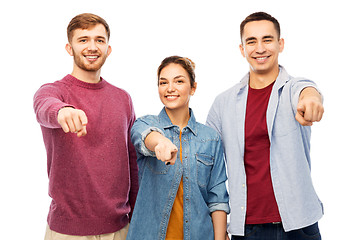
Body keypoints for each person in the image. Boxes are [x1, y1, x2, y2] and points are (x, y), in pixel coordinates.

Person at [206, 12, 324, 240]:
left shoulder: (293, 89)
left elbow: (307, 90)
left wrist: (312, 99)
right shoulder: (223, 103)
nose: (260, 48)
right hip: (248, 228)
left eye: (267, 40)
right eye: (251, 41)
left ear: (280, 44)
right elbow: (210, 169)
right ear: (242, 49)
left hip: (300, 225)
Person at [33, 13, 138, 240]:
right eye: (83, 40)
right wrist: (62, 112)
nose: (92, 47)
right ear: (69, 48)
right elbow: (44, 107)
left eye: (99, 40)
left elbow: (132, 162)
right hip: (66, 231)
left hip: (119, 229)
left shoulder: (123, 99)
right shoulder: (53, 91)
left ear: (108, 49)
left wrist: (138, 219)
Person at [126, 56, 230, 240]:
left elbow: (218, 199)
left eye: (179, 81)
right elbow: (144, 137)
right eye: (163, 82)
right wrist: (160, 142)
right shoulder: (144, 123)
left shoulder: (210, 138)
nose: (170, 88)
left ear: (193, 87)